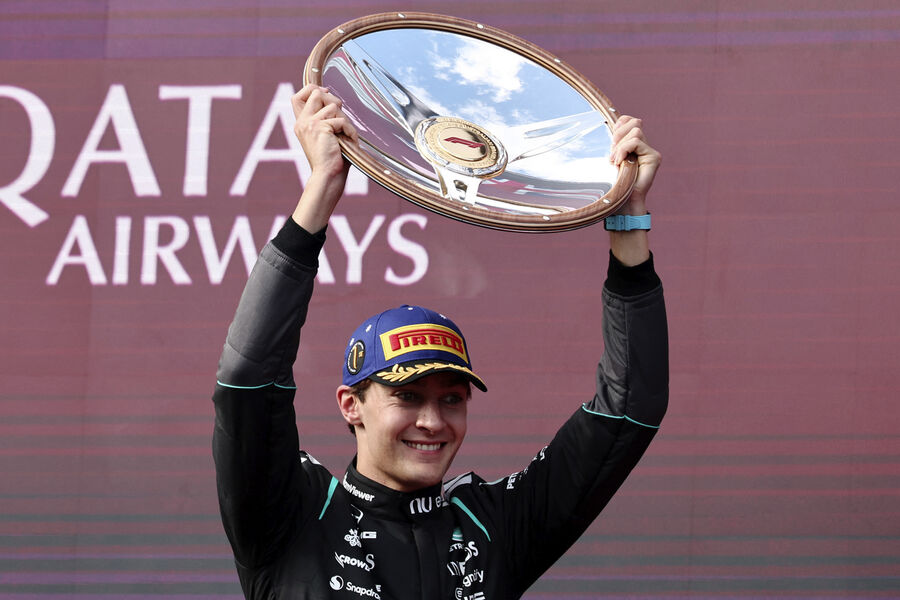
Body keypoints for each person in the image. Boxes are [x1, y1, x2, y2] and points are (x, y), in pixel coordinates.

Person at [213, 83, 667, 599]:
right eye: (407, 396)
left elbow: (631, 407)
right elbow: (247, 378)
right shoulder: (292, 514)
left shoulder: (495, 528)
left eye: (451, 399)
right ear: (351, 405)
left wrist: (628, 218)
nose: (432, 421)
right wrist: (323, 186)